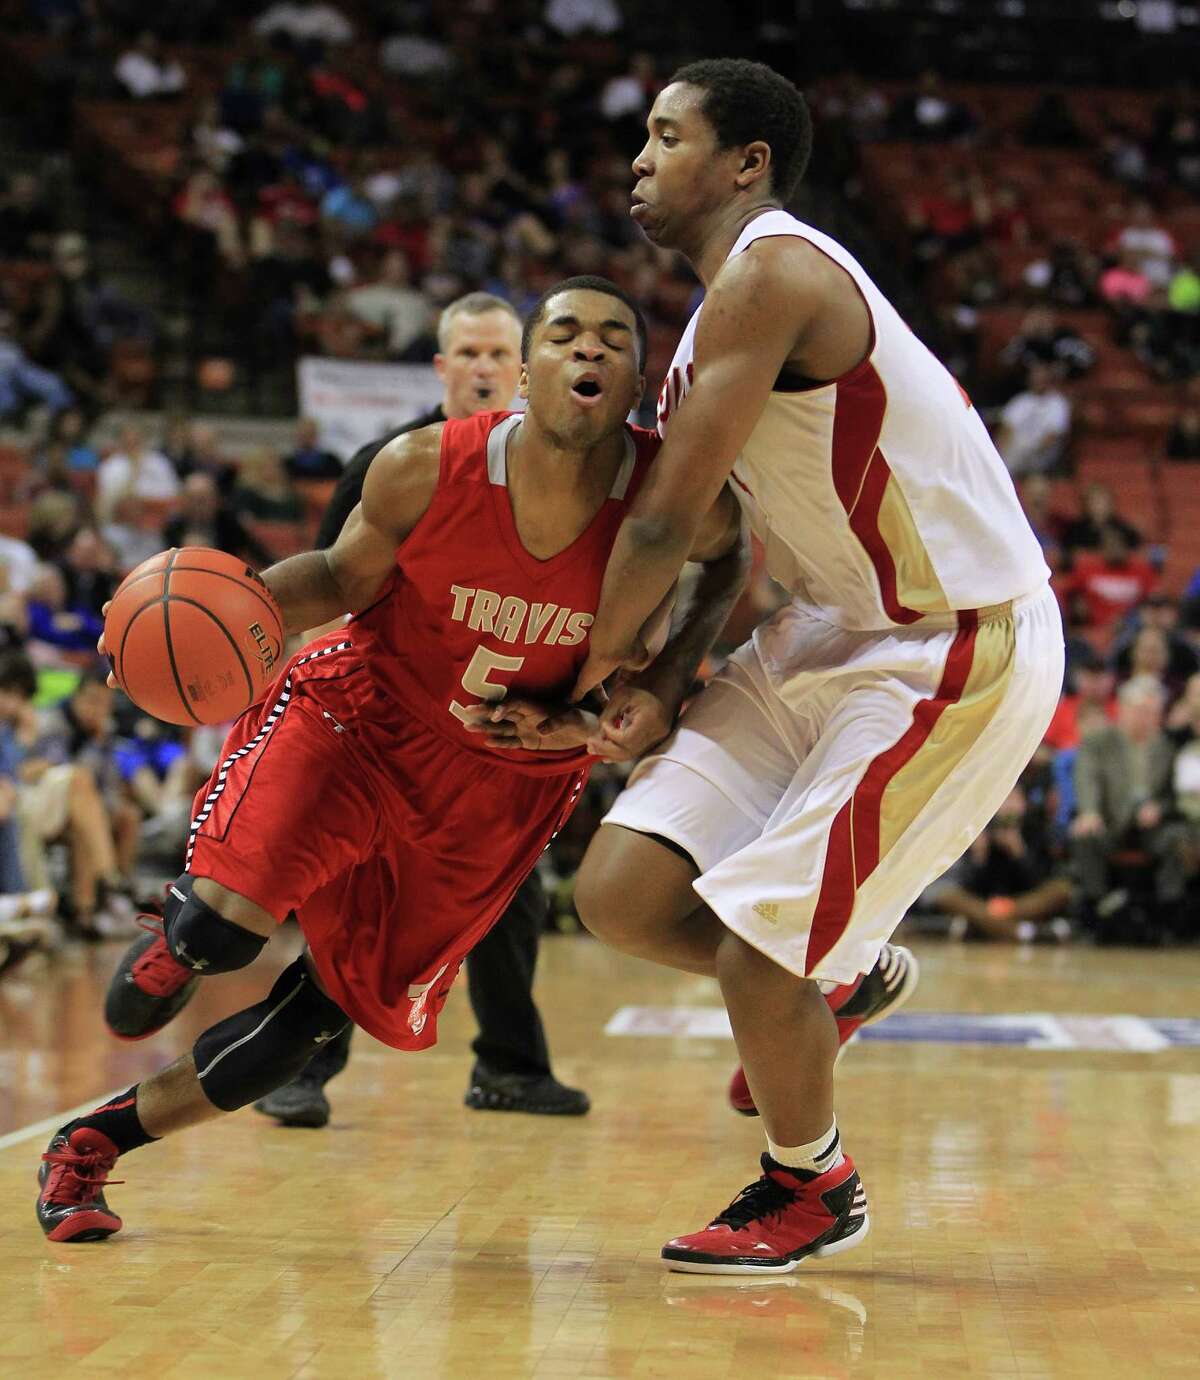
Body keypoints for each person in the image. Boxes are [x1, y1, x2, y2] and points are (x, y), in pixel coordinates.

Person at [33, 275, 749, 1243]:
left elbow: (728, 559)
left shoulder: (671, 498)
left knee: (309, 1027)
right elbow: (336, 576)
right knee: (224, 940)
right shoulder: (423, 465)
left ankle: (90, 1148)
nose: (588, 351)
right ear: (526, 371)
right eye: (566, 334)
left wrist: (660, 683)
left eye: (613, 340)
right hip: (362, 721)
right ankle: (187, 934)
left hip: (500, 785)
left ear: (636, 382)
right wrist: (211, 625)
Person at [556, 59, 1063, 1273]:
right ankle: (840, 976)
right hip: (831, 628)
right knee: (620, 895)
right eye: (642, 136)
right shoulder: (702, 337)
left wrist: (578, 675)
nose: (638, 158)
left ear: (747, 164)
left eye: (667, 135)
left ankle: (811, 1185)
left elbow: (665, 529)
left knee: (753, 949)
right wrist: (663, 684)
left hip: (955, 642)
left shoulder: (776, 269)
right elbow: (730, 560)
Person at [257, 291, 597, 1128]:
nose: (483, 368)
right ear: (442, 368)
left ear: (523, 370)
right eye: (468, 355)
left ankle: (512, 1066)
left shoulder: (562, 476)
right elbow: (333, 588)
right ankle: (301, 1066)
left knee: (514, 895)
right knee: (348, 895)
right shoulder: (391, 459)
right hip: (392, 727)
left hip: (501, 739)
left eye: (497, 354)